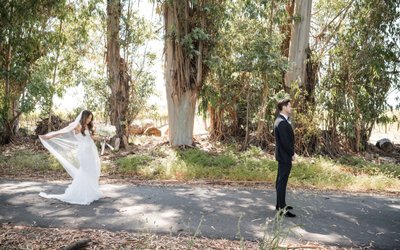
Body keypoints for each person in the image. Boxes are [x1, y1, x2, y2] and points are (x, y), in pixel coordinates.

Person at [39, 110, 103, 205]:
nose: (89, 120)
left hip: (91, 151)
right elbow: (63, 131)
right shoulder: (77, 125)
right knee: (85, 170)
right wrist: (49, 136)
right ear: (84, 117)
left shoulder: (88, 126)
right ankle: (81, 194)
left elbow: (92, 138)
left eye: (91, 118)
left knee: (91, 170)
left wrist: (104, 137)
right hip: (83, 151)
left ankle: (91, 192)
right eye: (88, 118)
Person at [274, 99, 296, 217]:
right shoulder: (281, 122)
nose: (291, 108)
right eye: (289, 106)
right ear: (283, 107)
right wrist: (292, 153)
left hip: (282, 156)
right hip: (284, 156)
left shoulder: (280, 120)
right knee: (282, 183)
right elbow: (285, 142)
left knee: (280, 181)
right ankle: (282, 209)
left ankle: (280, 204)